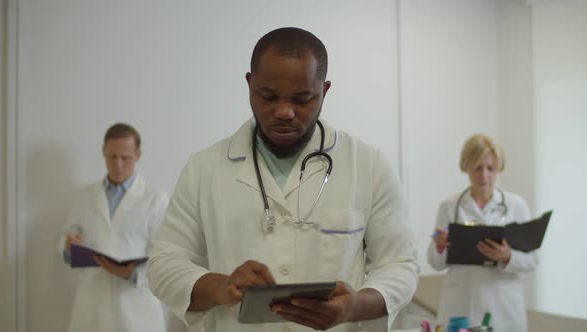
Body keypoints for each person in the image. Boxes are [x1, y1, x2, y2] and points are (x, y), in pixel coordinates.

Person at [146, 27, 419, 332]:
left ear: (324, 91)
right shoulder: (204, 169)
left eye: (303, 99)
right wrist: (221, 287)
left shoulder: (368, 165)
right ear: (249, 84)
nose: (285, 112)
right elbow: (163, 264)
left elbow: (400, 266)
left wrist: (355, 306)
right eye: (268, 96)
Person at [59, 123, 170, 332]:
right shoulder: (85, 196)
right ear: (103, 152)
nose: (118, 164)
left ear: (138, 155)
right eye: (112, 157)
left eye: (125, 158)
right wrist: (68, 246)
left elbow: (166, 256)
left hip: (136, 311)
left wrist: (132, 274)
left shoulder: (155, 199)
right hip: (92, 308)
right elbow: (67, 236)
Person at [427, 134, 539, 332]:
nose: (484, 175)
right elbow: (435, 262)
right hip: (461, 305)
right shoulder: (449, 207)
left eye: (490, 168)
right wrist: (439, 246)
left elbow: (532, 260)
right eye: (477, 167)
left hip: (503, 307)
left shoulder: (516, 205)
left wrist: (508, 256)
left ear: (498, 169)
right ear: (467, 167)